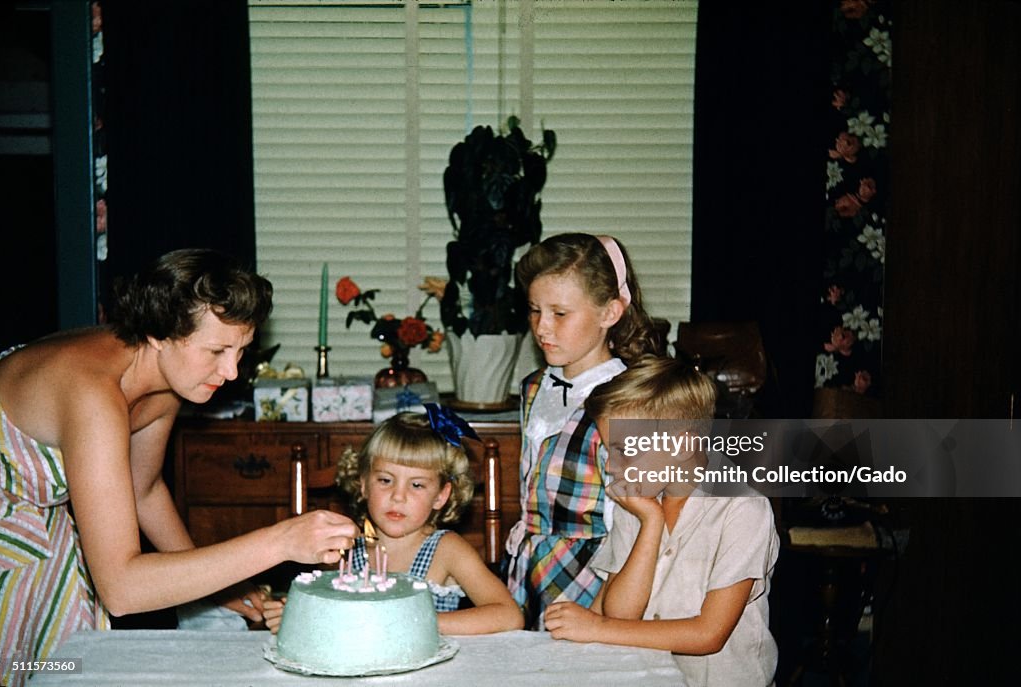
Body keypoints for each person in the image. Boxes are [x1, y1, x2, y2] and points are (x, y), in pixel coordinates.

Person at [0, 248, 358, 687]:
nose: (229, 371)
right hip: (8, 539)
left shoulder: (167, 379)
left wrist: (217, 587)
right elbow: (122, 589)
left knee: (54, 671)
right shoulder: (92, 392)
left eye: (240, 351)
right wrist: (278, 542)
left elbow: (143, 488)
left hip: (39, 535)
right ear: (157, 333)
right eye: (216, 350)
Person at [544, 355, 780, 686]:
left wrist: (597, 628)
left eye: (623, 450)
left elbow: (708, 634)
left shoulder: (742, 510)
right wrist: (651, 524)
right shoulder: (639, 503)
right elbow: (618, 614)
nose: (611, 466)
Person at [506, 232, 663, 629]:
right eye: (534, 310)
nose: (542, 328)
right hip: (529, 571)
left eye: (560, 314)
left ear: (610, 313)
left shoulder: (628, 400)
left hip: (594, 578)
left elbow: (631, 521)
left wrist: (603, 609)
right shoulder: (534, 386)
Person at [263, 406, 523, 635]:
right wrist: (293, 612)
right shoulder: (343, 547)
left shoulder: (447, 550)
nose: (398, 496)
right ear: (363, 484)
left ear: (441, 496)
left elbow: (509, 616)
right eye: (385, 480)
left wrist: (419, 621)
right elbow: (325, 611)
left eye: (417, 485)